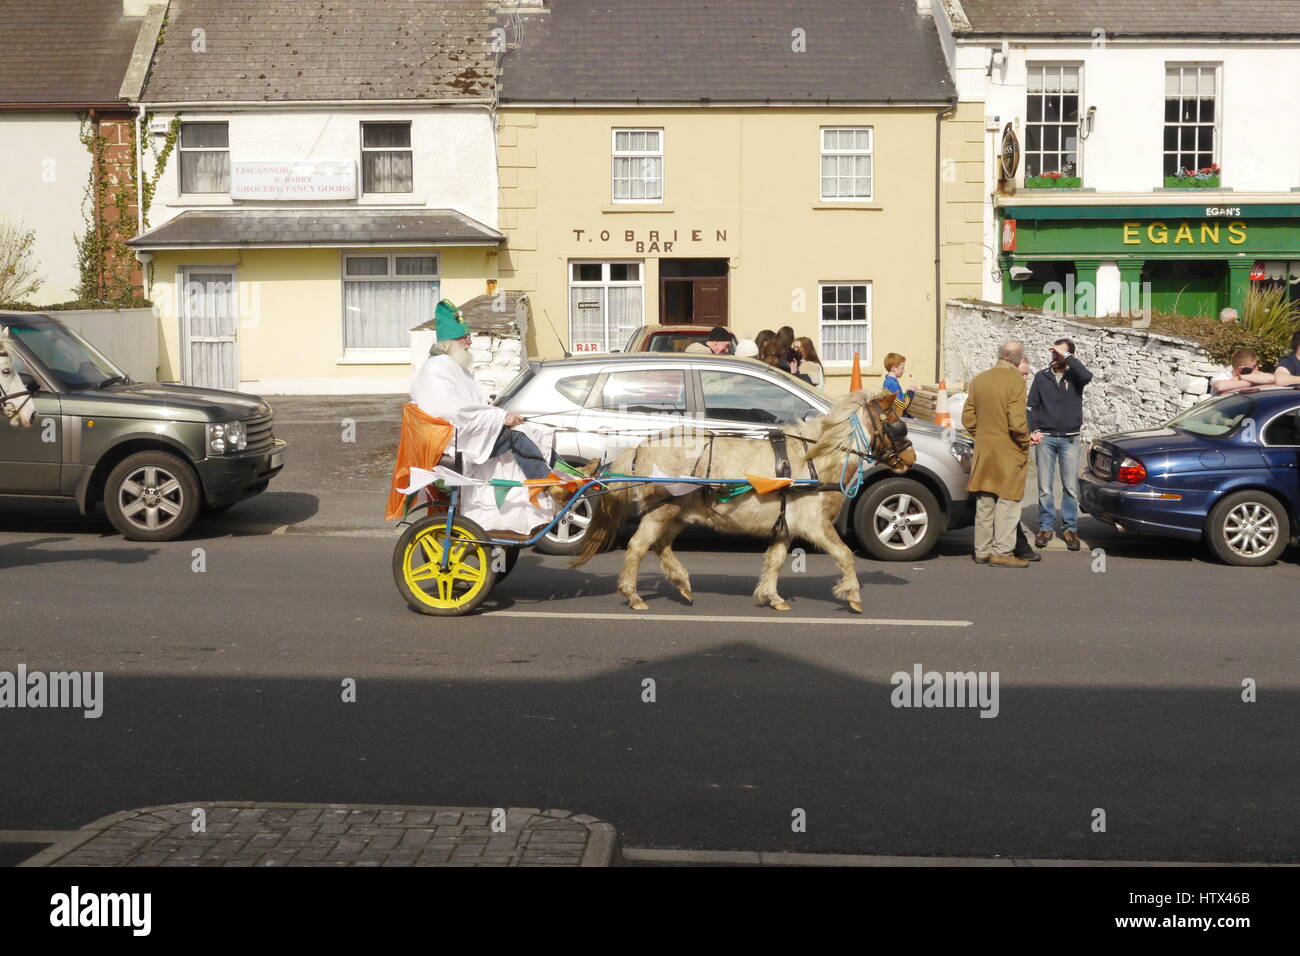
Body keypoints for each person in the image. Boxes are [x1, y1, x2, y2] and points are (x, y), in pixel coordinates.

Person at [411, 299, 571, 504]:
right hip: (451, 441)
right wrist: (500, 417)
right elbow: (453, 411)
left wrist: (500, 415)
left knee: (535, 430)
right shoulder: (437, 369)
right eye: (465, 338)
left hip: (459, 432)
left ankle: (567, 473)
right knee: (517, 437)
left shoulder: (449, 366)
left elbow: (470, 406)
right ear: (449, 343)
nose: (470, 342)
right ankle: (549, 485)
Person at [962, 340, 1033, 568]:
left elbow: (968, 418)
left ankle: (982, 550)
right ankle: (1002, 551)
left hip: (984, 449)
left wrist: (982, 434)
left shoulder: (979, 379)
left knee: (985, 499)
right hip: (1009, 450)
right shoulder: (1015, 381)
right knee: (1008, 501)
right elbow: (1017, 422)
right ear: (1016, 359)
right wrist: (1024, 441)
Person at [1027, 338, 1093, 551]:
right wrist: (1034, 429)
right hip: (1045, 438)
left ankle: (1069, 528)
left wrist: (1067, 355)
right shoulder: (1041, 377)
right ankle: (1045, 528)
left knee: (1070, 487)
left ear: (1068, 356)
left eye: (1059, 353)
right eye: (1053, 352)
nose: (1054, 356)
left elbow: (1087, 375)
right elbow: (1032, 407)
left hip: (1070, 438)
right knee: (1045, 487)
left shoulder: (1076, 377)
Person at [1211, 347, 1275, 395]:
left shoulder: (1252, 375)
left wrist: (1240, 378)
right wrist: (1253, 381)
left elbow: (1272, 378)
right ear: (1241, 369)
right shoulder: (1222, 376)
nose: (1257, 368)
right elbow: (1220, 387)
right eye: (1254, 366)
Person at [881, 352, 913, 416]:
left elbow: (896, 400)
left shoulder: (888, 381)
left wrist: (905, 394)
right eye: (902, 368)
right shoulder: (893, 383)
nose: (904, 370)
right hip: (896, 418)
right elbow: (902, 405)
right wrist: (911, 392)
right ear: (894, 368)